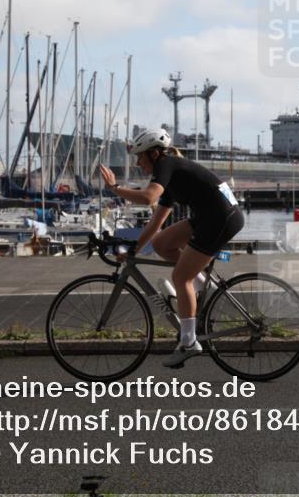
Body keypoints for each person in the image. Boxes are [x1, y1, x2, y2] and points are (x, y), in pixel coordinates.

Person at [99, 128, 244, 367]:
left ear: (154, 154)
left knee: (180, 277)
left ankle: (188, 342)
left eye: (140, 157)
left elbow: (148, 198)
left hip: (221, 218)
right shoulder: (170, 176)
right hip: (210, 216)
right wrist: (134, 250)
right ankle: (201, 282)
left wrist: (115, 188)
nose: (138, 163)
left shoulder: (167, 164)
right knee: (161, 243)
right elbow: (156, 223)